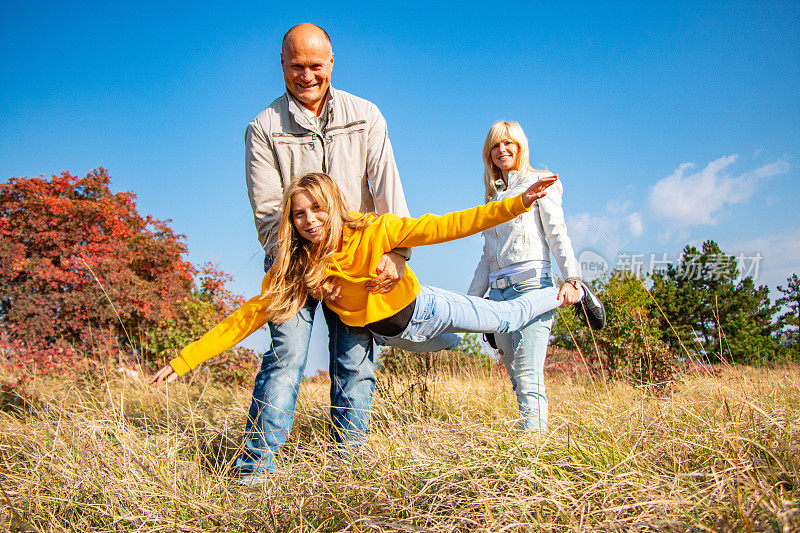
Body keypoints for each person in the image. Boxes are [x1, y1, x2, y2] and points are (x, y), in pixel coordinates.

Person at [151, 172, 562, 391]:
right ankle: (449, 341)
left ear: (334, 206)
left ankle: (562, 294)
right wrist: (185, 359)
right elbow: (247, 317)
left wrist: (517, 203)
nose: (309, 220)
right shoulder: (301, 268)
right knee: (445, 347)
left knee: (504, 320)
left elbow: (450, 225)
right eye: (299, 214)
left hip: (426, 310)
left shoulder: (375, 231)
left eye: (317, 209)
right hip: (396, 336)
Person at [239, 23, 412, 480]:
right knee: (285, 361)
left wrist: (397, 254)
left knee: (354, 363)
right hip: (292, 263)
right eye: (296, 66)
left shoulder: (366, 115)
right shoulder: (262, 128)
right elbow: (269, 213)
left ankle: (346, 472)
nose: (307, 75)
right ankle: (254, 472)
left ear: (331, 63)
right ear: (282, 66)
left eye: (316, 65)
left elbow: (388, 190)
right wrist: (309, 267)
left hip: (355, 260)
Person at [467, 121, 605, 434]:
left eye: (508, 144)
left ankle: (532, 456)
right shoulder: (492, 198)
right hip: (498, 296)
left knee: (529, 376)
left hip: (531, 288)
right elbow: (487, 257)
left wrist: (572, 278)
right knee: (516, 379)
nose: (502, 150)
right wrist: (470, 303)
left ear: (520, 146)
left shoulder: (540, 182)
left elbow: (557, 233)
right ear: (488, 153)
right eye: (495, 145)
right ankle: (530, 442)